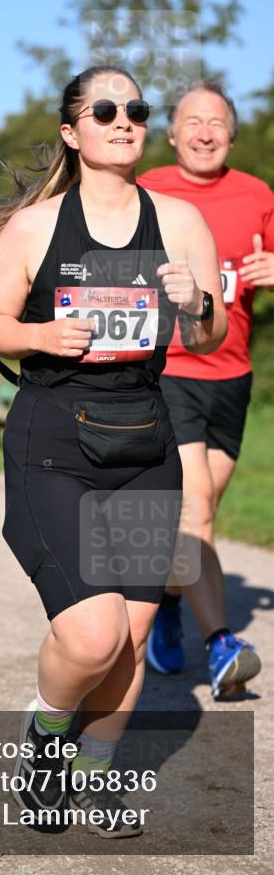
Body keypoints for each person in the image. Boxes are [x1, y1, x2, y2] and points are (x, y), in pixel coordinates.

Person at [0, 65, 226, 837]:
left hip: (144, 442)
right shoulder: (36, 228)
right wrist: (39, 334)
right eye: (104, 109)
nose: (123, 119)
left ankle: (97, 774)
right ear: (72, 132)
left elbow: (205, 336)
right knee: (92, 634)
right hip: (54, 443)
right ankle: (45, 738)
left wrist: (194, 304)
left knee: (134, 636)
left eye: (136, 109)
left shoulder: (179, 223)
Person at [140, 81, 273, 698]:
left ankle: (165, 602)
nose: (204, 131)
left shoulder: (258, 195)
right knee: (194, 510)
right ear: (171, 134)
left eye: (216, 121)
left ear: (230, 134)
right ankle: (222, 645)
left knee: (200, 514)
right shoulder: (148, 191)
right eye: (192, 121)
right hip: (170, 370)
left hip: (233, 375)